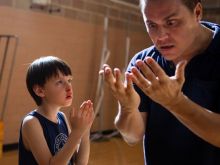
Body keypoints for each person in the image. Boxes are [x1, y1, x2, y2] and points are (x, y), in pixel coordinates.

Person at [99, 0, 220, 164]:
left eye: (171, 23)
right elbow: (132, 137)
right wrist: (128, 109)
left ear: (197, 12)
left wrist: (175, 103)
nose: (161, 36)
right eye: (151, 25)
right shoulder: (143, 63)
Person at [19, 56, 95, 165]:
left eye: (69, 80)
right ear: (40, 91)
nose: (69, 87)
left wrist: (85, 130)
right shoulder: (31, 123)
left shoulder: (62, 117)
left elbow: (80, 163)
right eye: (59, 82)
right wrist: (77, 132)